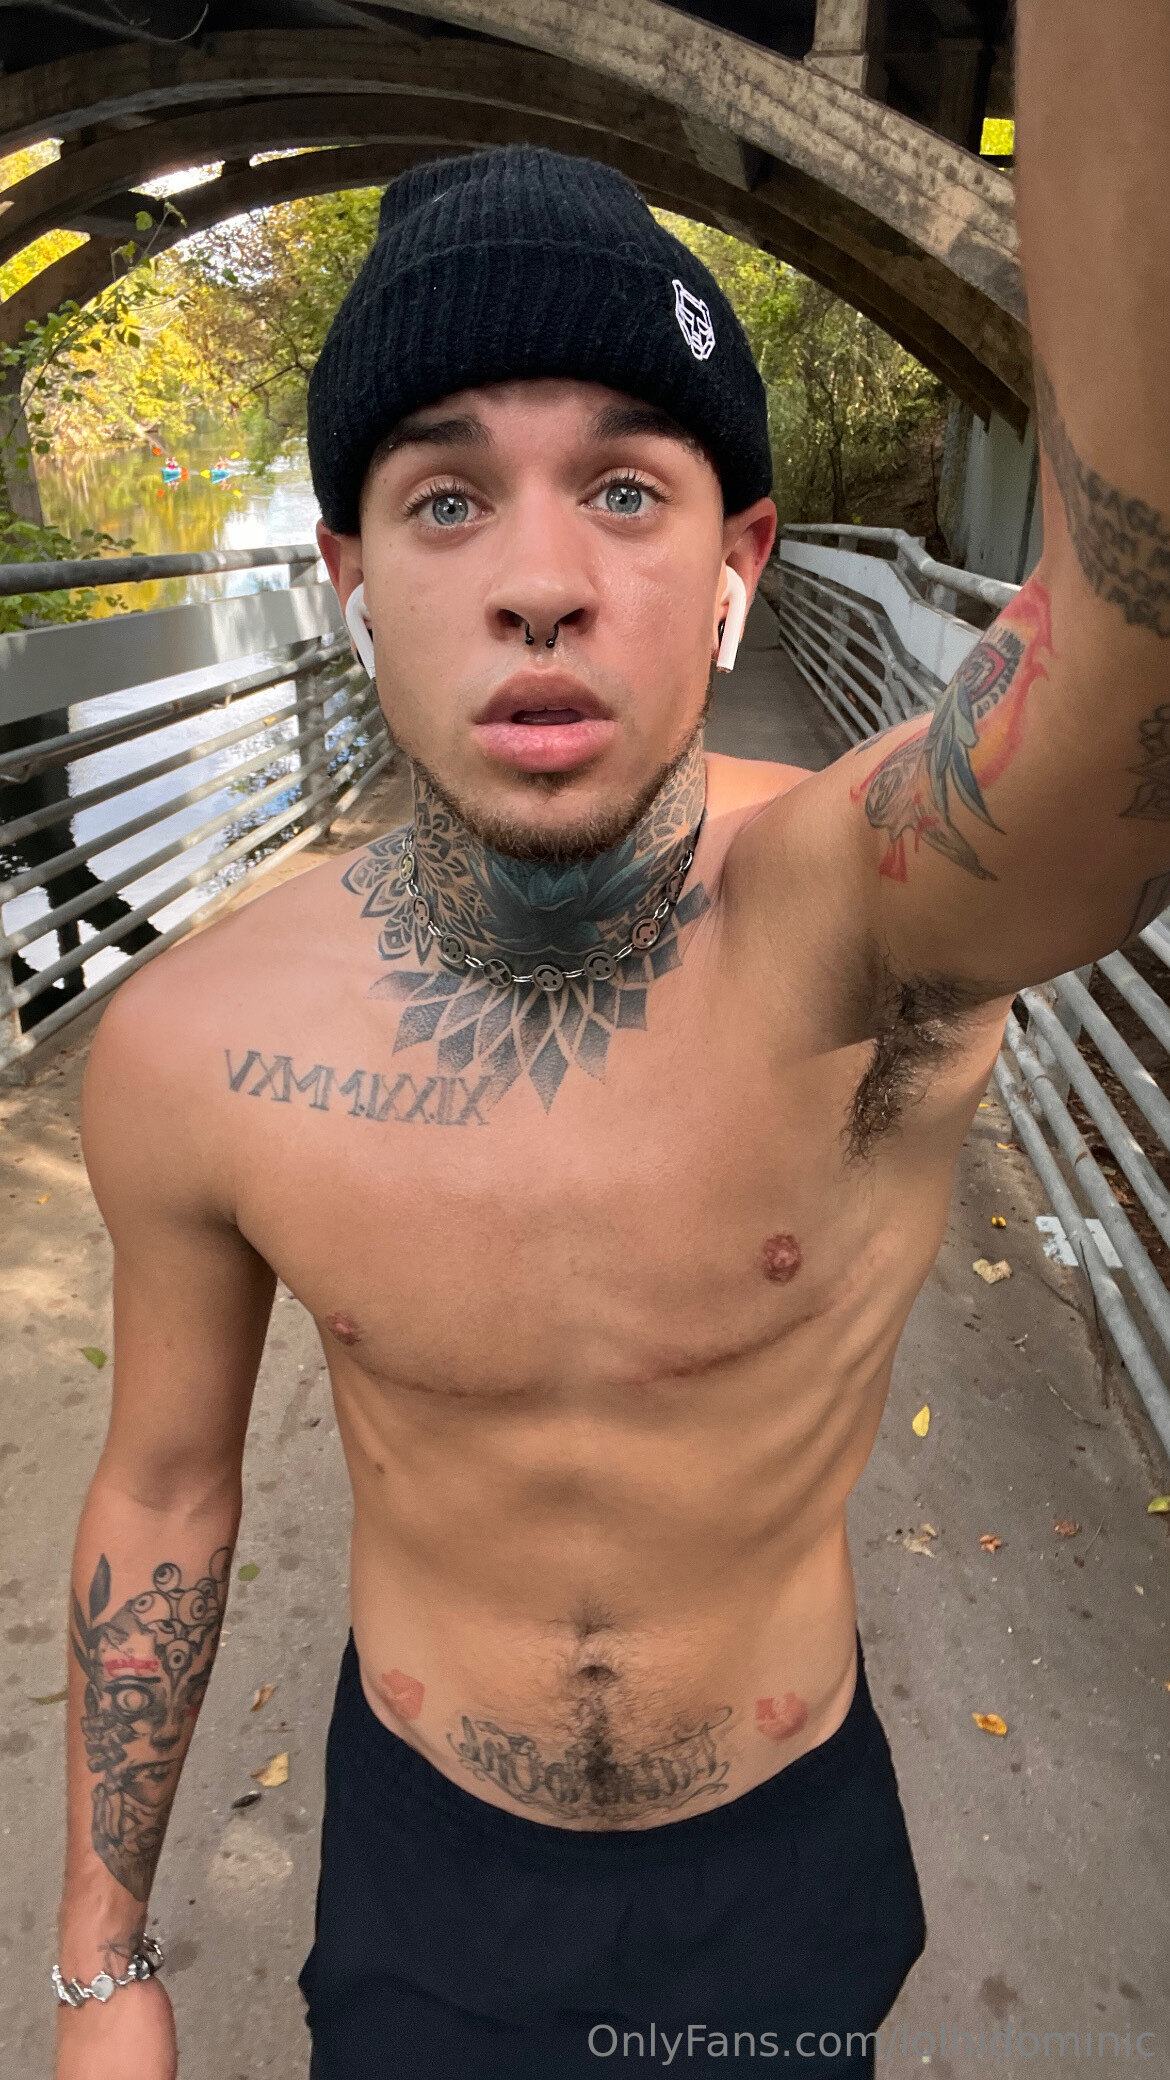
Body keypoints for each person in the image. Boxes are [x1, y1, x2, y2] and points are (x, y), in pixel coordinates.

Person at [53, 7, 1170, 2074]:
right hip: (421, 1863)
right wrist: (101, 1959)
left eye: (628, 492)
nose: (542, 584)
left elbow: (1128, 676)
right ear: (348, 577)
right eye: (446, 501)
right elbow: (168, 1488)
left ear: (741, 566)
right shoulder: (194, 1047)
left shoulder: (871, 936)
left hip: (779, 1854)